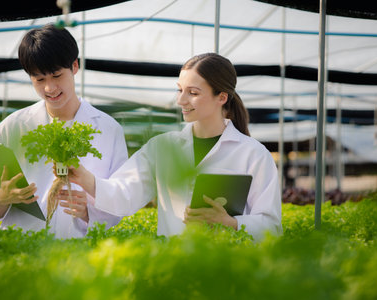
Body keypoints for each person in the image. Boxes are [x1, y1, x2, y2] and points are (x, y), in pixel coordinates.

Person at [59, 53, 282, 241]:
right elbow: (125, 194)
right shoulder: (162, 147)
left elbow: (272, 227)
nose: (181, 101)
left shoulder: (253, 154)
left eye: (193, 93)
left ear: (221, 97)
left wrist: (231, 222)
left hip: (228, 272)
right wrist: (85, 178)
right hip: (172, 267)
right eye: (179, 90)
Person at [0, 23, 128, 239]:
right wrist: (2, 197)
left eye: (57, 75)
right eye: (39, 79)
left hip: (79, 254)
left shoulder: (108, 129)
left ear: (74, 67)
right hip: (22, 249)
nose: (49, 88)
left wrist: (90, 213)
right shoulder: (12, 126)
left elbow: (122, 198)